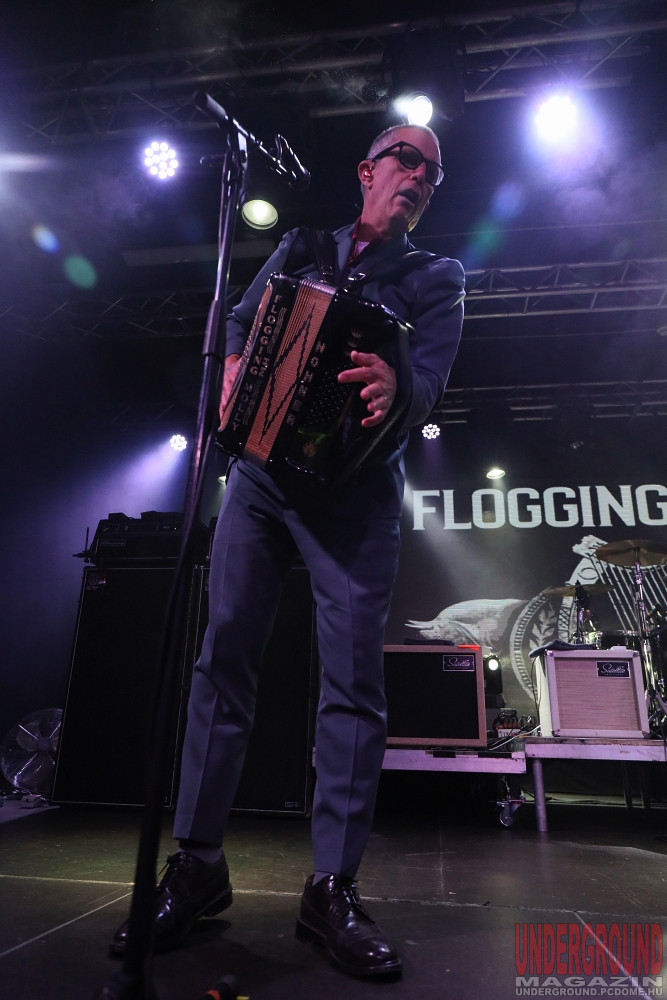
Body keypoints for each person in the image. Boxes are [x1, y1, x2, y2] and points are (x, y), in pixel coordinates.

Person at [111, 122, 465, 978]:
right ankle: (198, 864)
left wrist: (397, 383)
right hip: (263, 479)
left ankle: (330, 885)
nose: (419, 176)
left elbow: (427, 385)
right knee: (222, 657)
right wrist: (234, 368)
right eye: (406, 160)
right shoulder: (302, 247)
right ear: (367, 171)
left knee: (353, 685)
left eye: (432, 172)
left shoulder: (435, 278)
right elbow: (239, 321)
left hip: (355, 499)